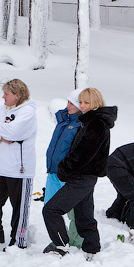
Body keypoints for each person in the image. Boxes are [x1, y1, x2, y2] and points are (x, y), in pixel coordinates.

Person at [42, 87, 117, 260]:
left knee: (51, 210)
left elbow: (83, 153)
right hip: (84, 176)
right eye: (81, 102)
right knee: (84, 216)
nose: (82, 106)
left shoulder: (95, 124)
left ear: (96, 103)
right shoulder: (91, 122)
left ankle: (60, 246)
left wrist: (64, 168)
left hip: (82, 177)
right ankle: (92, 249)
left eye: (86, 102)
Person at [0, 79, 37, 248]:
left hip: (19, 169)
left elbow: (13, 132)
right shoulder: (1, 109)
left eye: (7, 93)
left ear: (17, 95)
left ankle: (18, 240)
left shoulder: (27, 112)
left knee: (19, 208)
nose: (3, 96)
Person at [45, 90, 84, 249]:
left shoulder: (81, 124)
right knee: (49, 208)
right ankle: (60, 240)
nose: (68, 106)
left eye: (72, 103)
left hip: (68, 175)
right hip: (53, 172)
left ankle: (76, 242)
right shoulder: (63, 120)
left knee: (74, 211)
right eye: (67, 102)